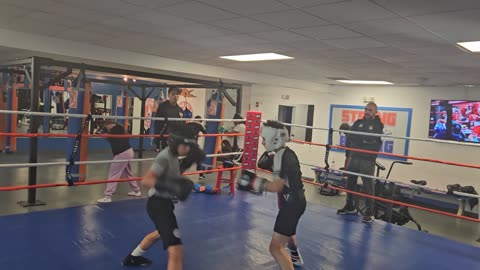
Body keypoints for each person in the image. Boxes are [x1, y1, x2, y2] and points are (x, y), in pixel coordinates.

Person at [122, 126, 205, 269]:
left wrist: (186, 163)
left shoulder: (173, 156)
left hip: (165, 203)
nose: (187, 149)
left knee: (159, 233)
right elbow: (146, 180)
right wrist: (171, 186)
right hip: (158, 205)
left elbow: (174, 174)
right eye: (185, 145)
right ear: (176, 143)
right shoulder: (164, 156)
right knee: (176, 250)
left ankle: (133, 257)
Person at [238, 120, 306, 270]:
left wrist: (253, 182)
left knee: (275, 248)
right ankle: (295, 255)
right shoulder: (287, 153)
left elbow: (276, 186)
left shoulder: (281, 158)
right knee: (288, 232)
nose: (262, 142)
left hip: (291, 205)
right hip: (296, 200)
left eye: (264, 139)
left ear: (273, 139)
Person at [337, 102, 384, 223]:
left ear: (375, 112)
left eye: (370, 110)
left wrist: (363, 140)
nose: (367, 112)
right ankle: (350, 206)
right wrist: (363, 140)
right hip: (355, 157)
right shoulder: (358, 123)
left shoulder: (378, 125)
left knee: (368, 185)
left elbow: (371, 140)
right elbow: (352, 137)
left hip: (368, 159)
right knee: (350, 183)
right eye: (366, 109)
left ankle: (370, 213)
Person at [97, 120, 141, 203]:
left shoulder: (115, 129)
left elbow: (107, 136)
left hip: (122, 154)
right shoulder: (119, 128)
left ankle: (107, 196)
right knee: (127, 173)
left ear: (109, 125)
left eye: (106, 127)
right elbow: (110, 139)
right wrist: (102, 134)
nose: (106, 128)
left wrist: (101, 133)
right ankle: (136, 191)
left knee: (113, 173)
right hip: (128, 151)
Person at [154, 87, 184, 152]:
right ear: (168, 95)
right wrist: (157, 140)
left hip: (176, 139)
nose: (175, 96)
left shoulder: (180, 109)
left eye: (177, 94)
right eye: (173, 94)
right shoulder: (163, 107)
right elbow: (157, 124)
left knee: (175, 159)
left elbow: (182, 125)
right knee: (165, 159)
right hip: (165, 139)